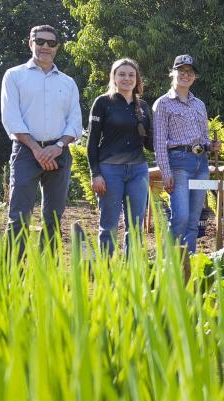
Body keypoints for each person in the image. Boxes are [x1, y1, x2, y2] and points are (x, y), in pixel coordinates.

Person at [0, 24, 82, 257]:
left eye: (51, 43)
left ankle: (47, 275)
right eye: (40, 41)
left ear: (57, 48)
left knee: (54, 218)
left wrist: (57, 147)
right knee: (19, 216)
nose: (45, 46)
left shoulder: (68, 82)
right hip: (26, 152)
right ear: (30, 43)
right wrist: (37, 149)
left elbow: (75, 123)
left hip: (59, 153)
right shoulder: (14, 76)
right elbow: (11, 118)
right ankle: (11, 276)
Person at [152, 54, 221, 254]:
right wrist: (166, 173)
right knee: (180, 218)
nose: (185, 75)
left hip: (201, 164)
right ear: (173, 73)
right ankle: (166, 263)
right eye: (181, 71)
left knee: (193, 221)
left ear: (194, 77)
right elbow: (159, 142)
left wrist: (211, 146)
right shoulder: (163, 104)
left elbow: (204, 138)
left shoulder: (199, 104)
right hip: (179, 164)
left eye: (189, 72)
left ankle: (187, 267)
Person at [87, 58, 153, 256]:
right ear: (114, 78)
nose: (127, 78)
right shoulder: (102, 102)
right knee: (109, 225)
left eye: (131, 75)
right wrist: (95, 173)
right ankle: (106, 271)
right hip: (109, 171)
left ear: (137, 79)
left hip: (138, 170)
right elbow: (91, 142)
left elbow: (150, 144)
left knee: (135, 225)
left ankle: (131, 270)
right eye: (122, 74)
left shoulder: (143, 106)